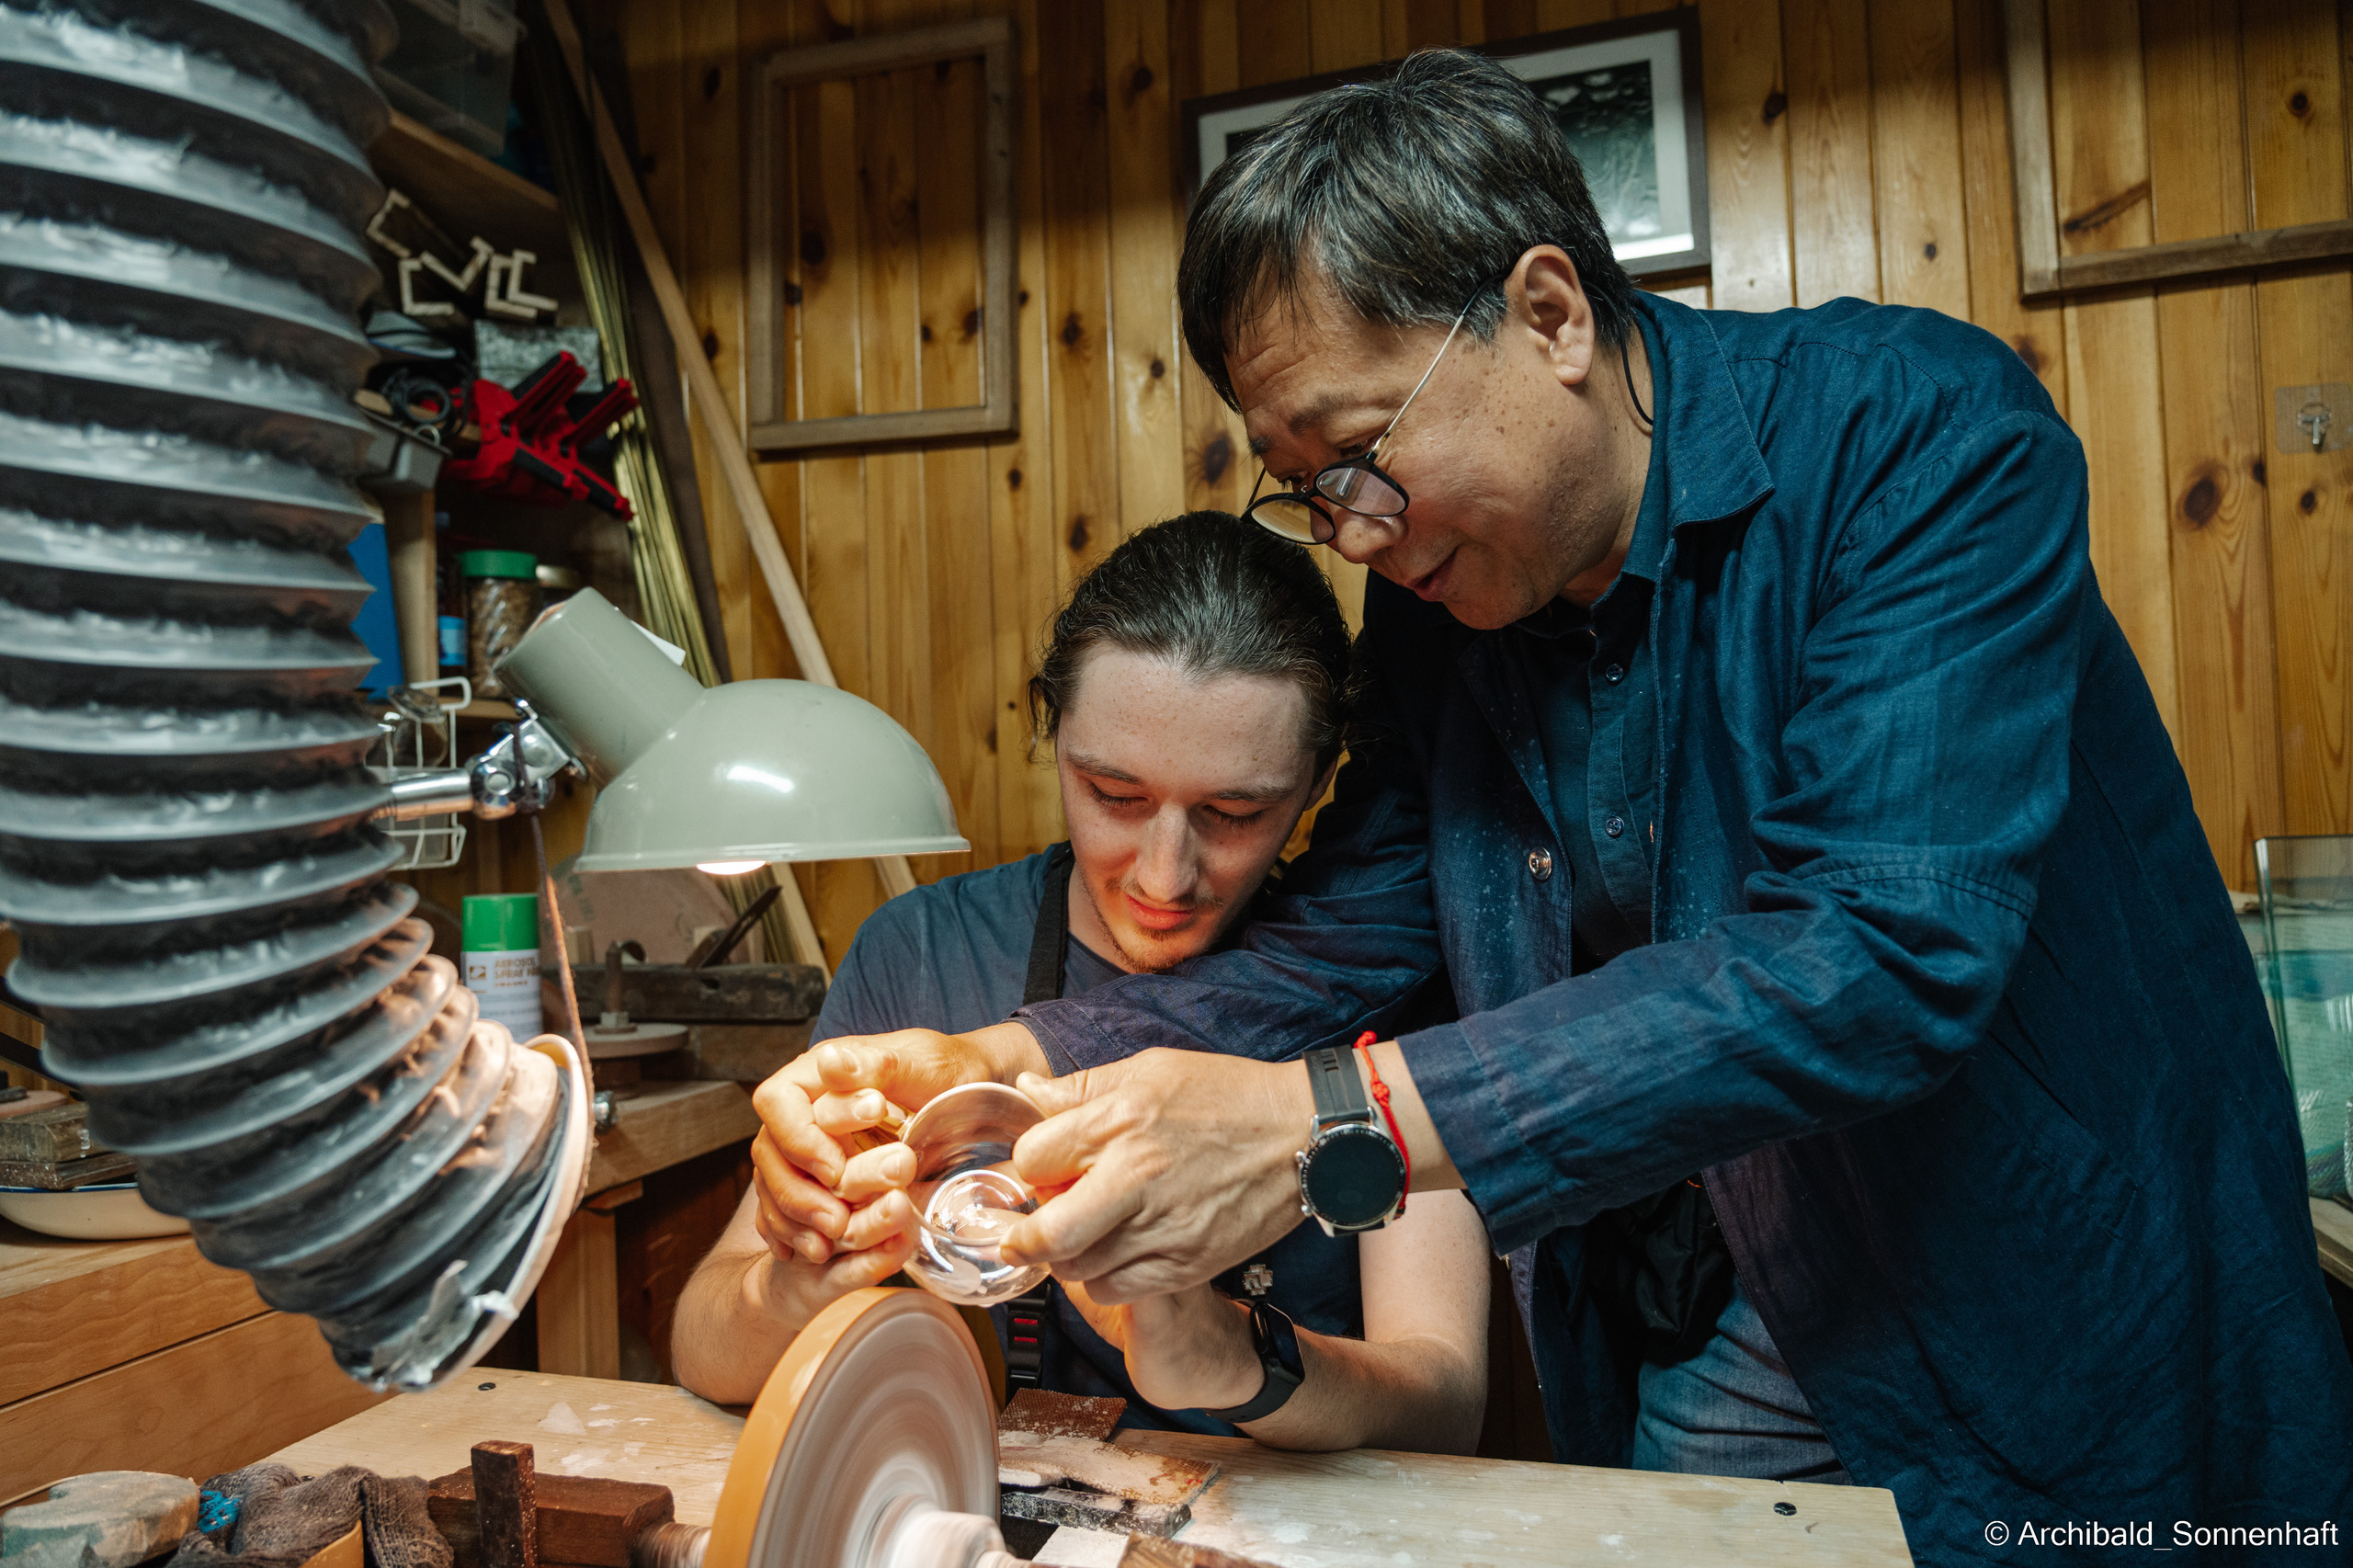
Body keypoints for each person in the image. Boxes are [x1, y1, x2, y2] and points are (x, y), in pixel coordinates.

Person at [760, 49, 2353, 1560]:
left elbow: (1879, 951)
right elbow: (1360, 933)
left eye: (1362, 454)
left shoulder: (1920, 438)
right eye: (1308, 488)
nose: (1356, 533)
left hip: (2039, 1278)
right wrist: (998, 1056)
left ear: (1548, 313)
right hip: (1743, 1288)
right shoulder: (1447, 602)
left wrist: (1330, 1122)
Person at [673, 512, 1489, 1456]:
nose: (1162, 875)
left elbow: (1445, 1398)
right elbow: (704, 1342)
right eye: (1116, 796)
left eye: (1234, 812)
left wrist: (1230, 1354)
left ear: (1316, 782)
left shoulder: (1385, 980)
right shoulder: (924, 953)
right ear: (1048, 726)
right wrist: (796, 1276)